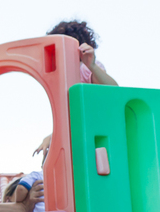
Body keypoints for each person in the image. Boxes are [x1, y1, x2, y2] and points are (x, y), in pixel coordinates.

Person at [35, 19, 118, 159]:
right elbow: (69, 117)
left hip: (98, 129)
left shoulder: (85, 69)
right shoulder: (61, 78)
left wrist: (91, 65)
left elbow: (114, 91)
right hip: (79, 131)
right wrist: (53, 136)